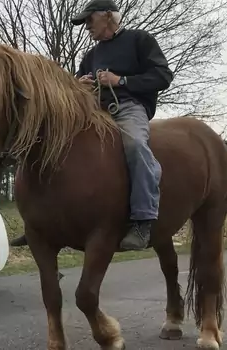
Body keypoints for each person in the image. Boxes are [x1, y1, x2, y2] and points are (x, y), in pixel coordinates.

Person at [71, 0, 174, 251]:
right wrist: (79, 85)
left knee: (135, 145)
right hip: (94, 112)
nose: (86, 27)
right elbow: (77, 84)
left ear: (107, 16)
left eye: (89, 20)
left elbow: (163, 76)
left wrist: (121, 80)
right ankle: (48, 220)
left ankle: (143, 221)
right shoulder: (91, 56)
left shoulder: (140, 40)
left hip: (128, 108)